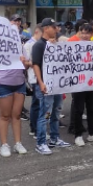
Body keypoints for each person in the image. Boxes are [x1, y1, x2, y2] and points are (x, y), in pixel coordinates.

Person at [32, 18, 70, 155]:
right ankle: (41, 143)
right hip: (46, 86)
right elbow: (35, 64)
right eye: (54, 27)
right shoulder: (39, 45)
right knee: (45, 114)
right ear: (46, 28)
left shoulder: (54, 44)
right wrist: (41, 82)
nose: (57, 30)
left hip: (57, 85)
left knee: (56, 112)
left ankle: (55, 138)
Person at [0, 22, 28, 157]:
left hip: (19, 83)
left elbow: (26, 66)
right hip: (3, 83)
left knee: (17, 115)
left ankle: (18, 143)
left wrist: (24, 62)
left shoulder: (21, 47)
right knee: (5, 116)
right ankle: (4, 144)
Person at [23, 25, 43, 138]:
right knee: (37, 104)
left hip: (44, 77)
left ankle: (40, 126)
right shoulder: (29, 44)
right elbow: (25, 63)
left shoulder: (43, 43)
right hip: (34, 78)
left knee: (45, 105)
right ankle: (34, 128)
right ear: (37, 32)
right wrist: (36, 63)